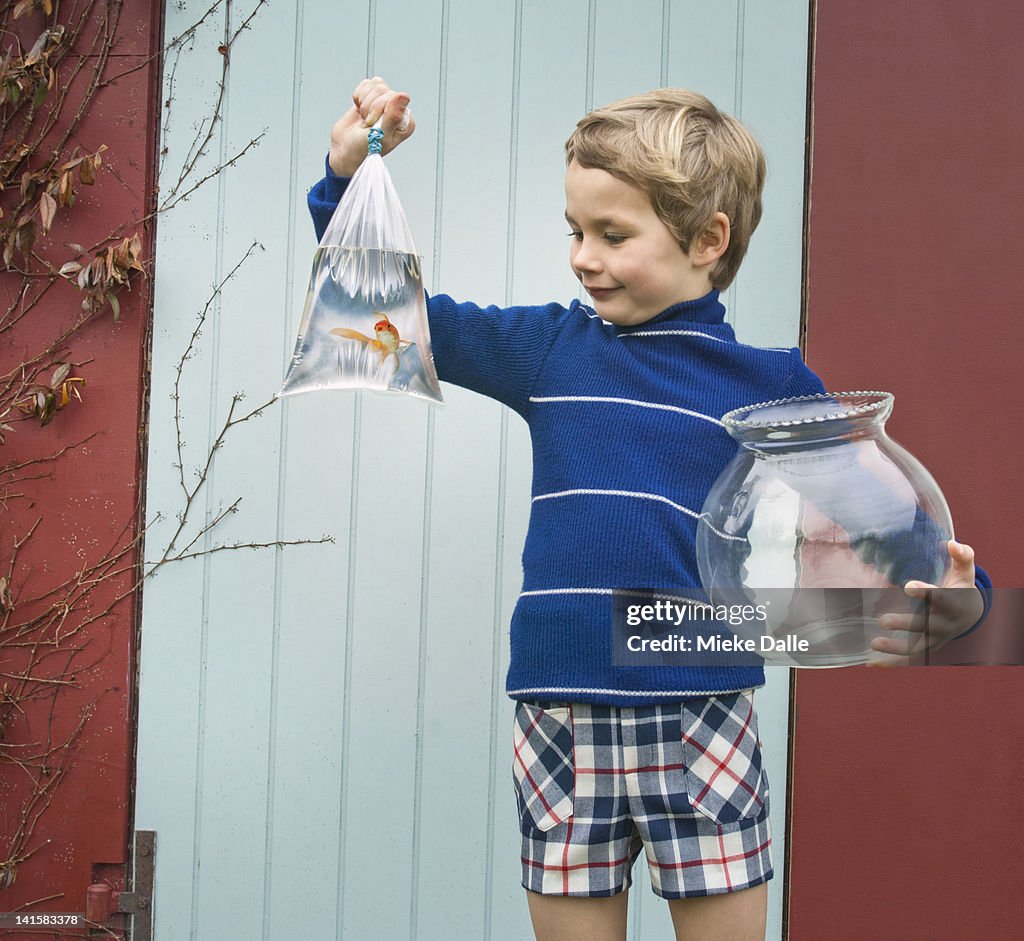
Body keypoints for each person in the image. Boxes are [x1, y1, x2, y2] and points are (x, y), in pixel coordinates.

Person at [306, 78, 992, 941]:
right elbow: (381, 316)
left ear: (709, 240)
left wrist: (963, 602)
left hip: (702, 715)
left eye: (612, 234)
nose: (581, 256)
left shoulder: (775, 388)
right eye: (575, 230)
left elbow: (899, 539)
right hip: (559, 717)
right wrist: (345, 179)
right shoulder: (549, 349)